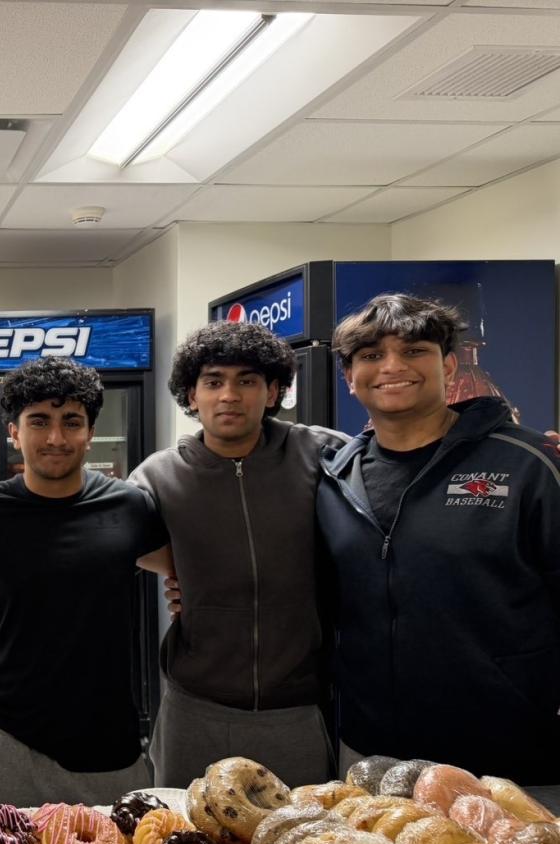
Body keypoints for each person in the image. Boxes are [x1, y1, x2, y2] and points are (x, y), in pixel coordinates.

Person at [318, 293, 560, 784]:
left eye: (414, 351)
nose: (392, 367)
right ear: (350, 377)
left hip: (506, 755)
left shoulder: (528, 464)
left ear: (448, 365)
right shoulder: (334, 479)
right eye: (371, 355)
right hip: (372, 752)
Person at [0, 357, 166, 808]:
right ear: (14, 432)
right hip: (6, 742)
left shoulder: (131, 507)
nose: (56, 438)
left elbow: (186, 569)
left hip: (108, 743)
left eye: (71, 422)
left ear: (90, 433)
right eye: (39, 421)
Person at [130, 323, 342, 788]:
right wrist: (183, 568)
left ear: (273, 392)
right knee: (183, 828)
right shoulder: (158, 476)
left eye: (247, 380)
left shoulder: (321, 453)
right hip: (194, 708)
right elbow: (113, 539)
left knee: (302, 830)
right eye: (213, 381)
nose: (229, 395)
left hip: (296, 708)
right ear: (192, 395)